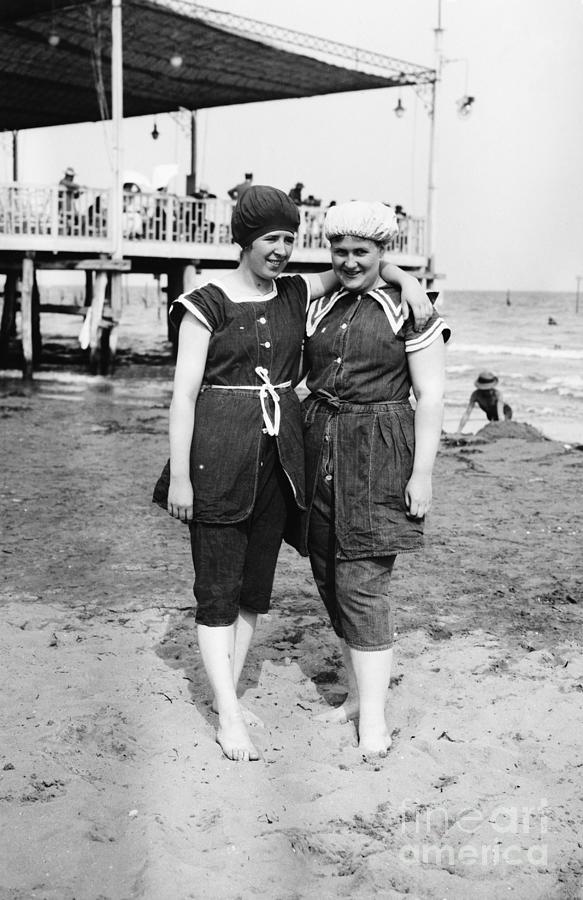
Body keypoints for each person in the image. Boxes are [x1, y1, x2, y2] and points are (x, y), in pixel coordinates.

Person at [163, 186, 433, 763]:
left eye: (289, 238)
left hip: (297, 460)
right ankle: (230, 711)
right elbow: (183, 396)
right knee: (250, 583)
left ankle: (264, 701)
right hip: (241, 453)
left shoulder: (307, 295)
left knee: (284, 588)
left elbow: (359, 264)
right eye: (271, 239)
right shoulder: (216, 302)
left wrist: (408, 280)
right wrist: (182, 477)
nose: (282, 250)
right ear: (244, 240)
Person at [301, 200, 450, 757]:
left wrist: (423, 474)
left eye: (361, 252)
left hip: (380, 450)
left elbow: (431, 395)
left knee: (364, 582)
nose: (348, 261)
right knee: (327, 575)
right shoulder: (324, 302)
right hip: (320, 446)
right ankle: (358, 698)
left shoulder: (407, 307)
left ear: (382, 251)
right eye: (339, 251)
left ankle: (375, 720)